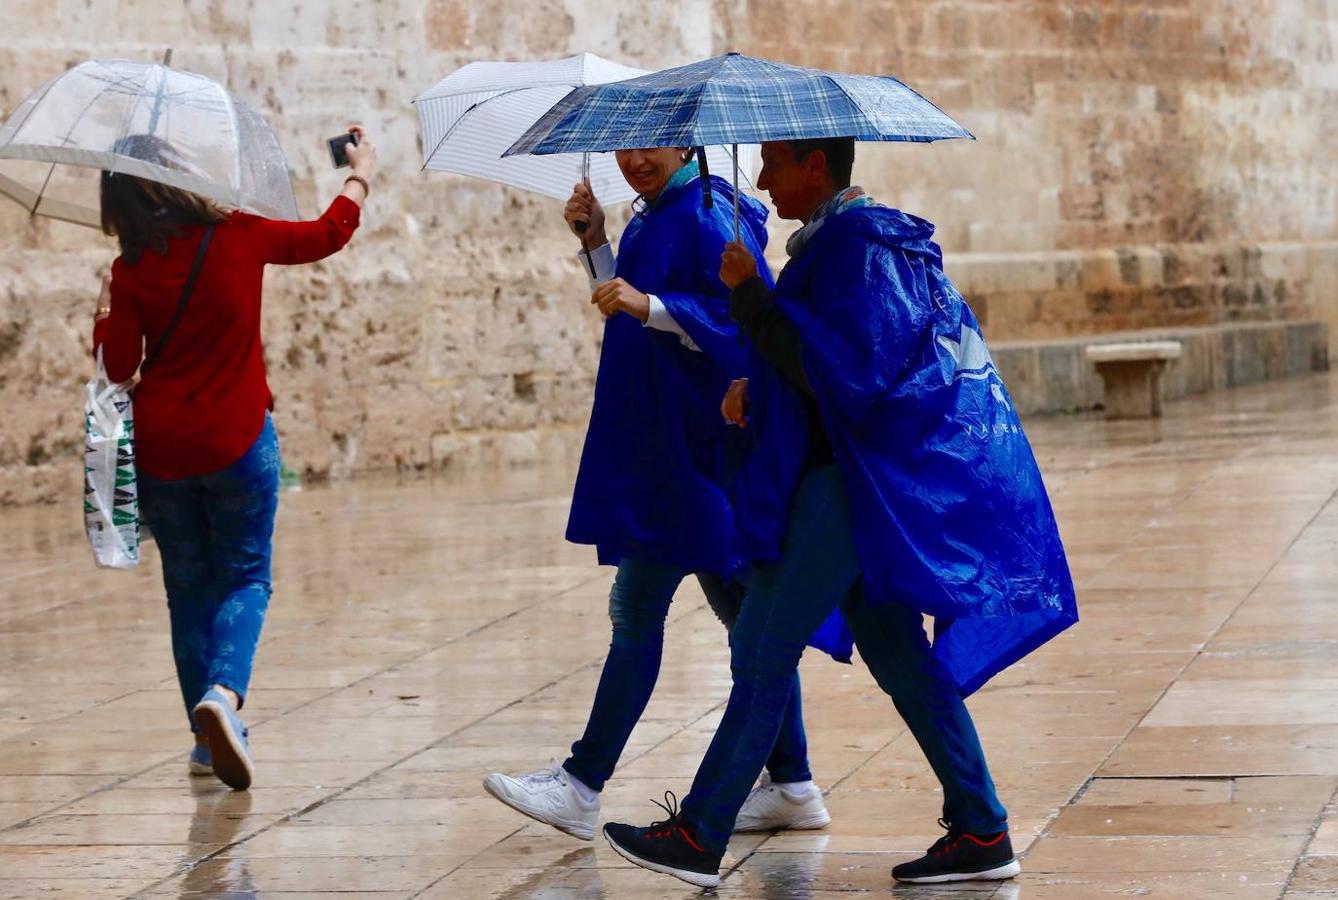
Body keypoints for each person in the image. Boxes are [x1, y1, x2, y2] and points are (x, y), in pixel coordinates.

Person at [602, 137, 1078, 888]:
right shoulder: (843, 246)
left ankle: (700, 832)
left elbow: (851, 376)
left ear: (814, 167)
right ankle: (982, 829)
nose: (760, 179)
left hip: (851, 486)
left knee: (760, 648)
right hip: (861, 481)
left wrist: (750, 297)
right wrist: (757, 385)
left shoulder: (859, 248)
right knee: (898, 658)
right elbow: (843, 360)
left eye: (774, 165)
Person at [482, 148, 840, 841]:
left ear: (686, 142)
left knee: (641, 609)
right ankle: (793, 783)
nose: (636, 158)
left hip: (696, 454)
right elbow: (631, 302)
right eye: (627, 145)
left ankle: (583, 784)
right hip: (665, 450)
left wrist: (652, 306)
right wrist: (596, 249)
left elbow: (746, 322)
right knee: (748, 627)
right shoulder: (656, 216)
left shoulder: (707, 216)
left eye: (653, 142)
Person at [91, 126, 377, 791]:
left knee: (187, 589)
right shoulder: (238, 235)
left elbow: (117, 366)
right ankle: (223, 695)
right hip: (239, 440)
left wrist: (105, 314)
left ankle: (202, 740)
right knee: (247, 578)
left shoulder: (130, 270)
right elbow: (327, 234)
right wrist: (360, 174)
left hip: (164, 454)